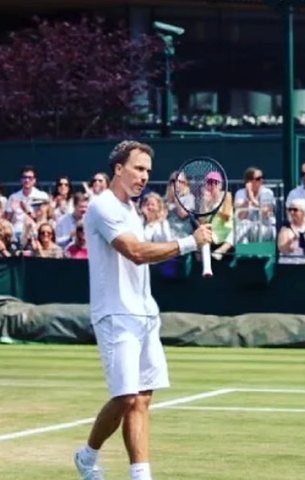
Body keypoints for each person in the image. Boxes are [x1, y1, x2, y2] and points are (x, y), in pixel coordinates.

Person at [74, 140, 212, 480]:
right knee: (124, 397)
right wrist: (189, 243)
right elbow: (134, 252)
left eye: (148, 171)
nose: (144, 176)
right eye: (138, 168)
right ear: (118, 168)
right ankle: (87, 457)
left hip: (145, 314)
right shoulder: (102, 206)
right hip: (115, 315)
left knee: (142, 400)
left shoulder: (133, 210)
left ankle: (140, 475)